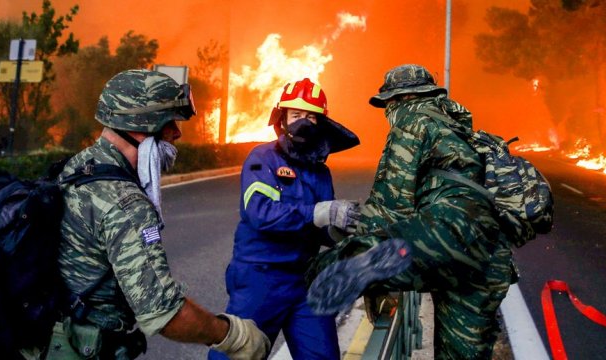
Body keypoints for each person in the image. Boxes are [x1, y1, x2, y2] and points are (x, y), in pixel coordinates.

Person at [40, 69, 270, 360]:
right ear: (143, 123)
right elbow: (164, 313)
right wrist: (232, 335)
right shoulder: (127, 205)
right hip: (80, 348)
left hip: (45, 338)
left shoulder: (75, 167)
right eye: (169, 122)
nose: (177, 133)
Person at [307, 64, 517, 359]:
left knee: (329, 264)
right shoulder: (460, 129)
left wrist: (359, 242)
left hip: (448, 232)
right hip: (489, 255)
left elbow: (390, 206)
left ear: (398, 99)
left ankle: (351, 271)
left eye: (388, 104)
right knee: (463, 354)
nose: (387, 112)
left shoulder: (411, 122)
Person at [212, 78, 360, 359]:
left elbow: (318, 229)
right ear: (283, 117)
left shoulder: (319, 172)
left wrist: (338, 231)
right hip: (260, 278)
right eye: (296, 115)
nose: (303, 122)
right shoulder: (263, 158)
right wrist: (318, 212)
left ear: (321, 123)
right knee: (237, 354)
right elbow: (259, 213)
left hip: (306, 282)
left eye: (310, 116)